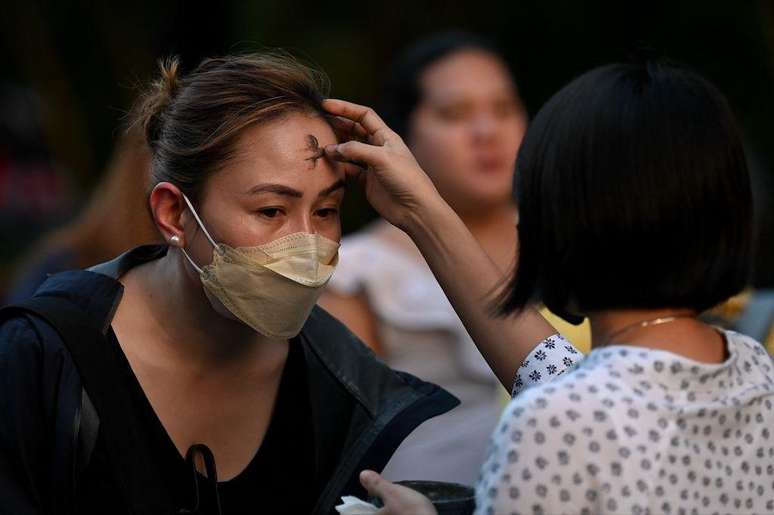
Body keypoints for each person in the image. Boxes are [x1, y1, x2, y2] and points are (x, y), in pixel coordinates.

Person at [0, 53, 458, 515]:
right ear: (173, 214)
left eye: (325, 211)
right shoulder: (43, 358)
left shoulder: (339, 384)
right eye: (271, 211)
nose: (307, 243)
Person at [321, 58, 774, 513]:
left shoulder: (555, 422)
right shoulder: (753, 368)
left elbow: (571, 403)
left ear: (563, 224)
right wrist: (421, 210)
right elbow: (560, 376)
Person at [320, 32, 529, 485]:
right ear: (401, 135)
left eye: (503, 109)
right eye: (455, 114)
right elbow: (345, 446)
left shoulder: (573, 240)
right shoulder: (355, 272)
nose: (487, 132)